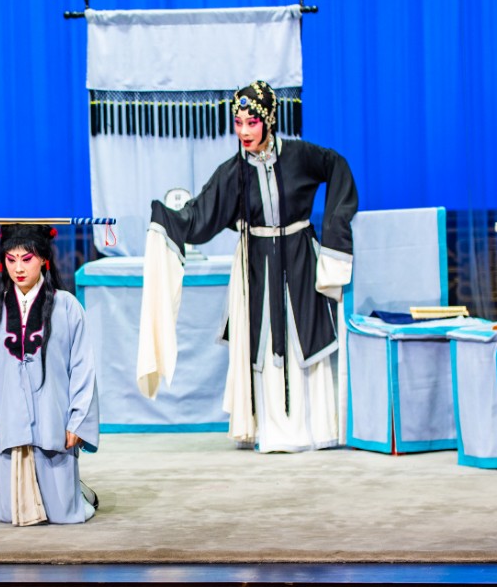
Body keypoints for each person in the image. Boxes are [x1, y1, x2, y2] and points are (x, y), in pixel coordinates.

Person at [137, 80, 358, 453]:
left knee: (302, 335)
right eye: (238, 123)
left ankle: (313, 429)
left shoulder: (301, 156)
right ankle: (265, 429)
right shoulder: (232, 172)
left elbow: (338, 167)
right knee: (261, 341)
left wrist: (335, 233)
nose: (243, 131)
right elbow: (200, 214)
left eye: (251, 122)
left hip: (300, 259)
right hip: (255, 265)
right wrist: (166, 219)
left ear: (269, 120)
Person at [0, 224, 99, 525]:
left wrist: (78, 420)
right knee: (9, 514)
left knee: (64, 515)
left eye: (26, 259)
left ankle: (79, 494)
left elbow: (83, 367)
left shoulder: (67, 307)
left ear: (43, 259)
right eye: (11, 259)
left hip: (53, 421)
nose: (18, 268)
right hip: (7, 422)